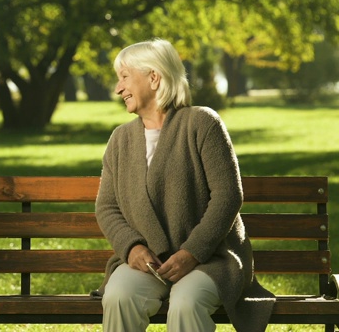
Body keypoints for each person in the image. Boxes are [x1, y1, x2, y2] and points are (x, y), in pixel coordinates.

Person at [93, 38, 275, 332]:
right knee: (118, 296)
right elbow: (107, 206)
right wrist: (131, 248)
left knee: (186, 302)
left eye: (124, 77)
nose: (118, 88)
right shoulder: (120, 139)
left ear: (153, 77)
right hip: (148, 263)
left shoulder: (202, 123)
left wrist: (192, 252)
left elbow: (228, 196)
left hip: (210, 259)